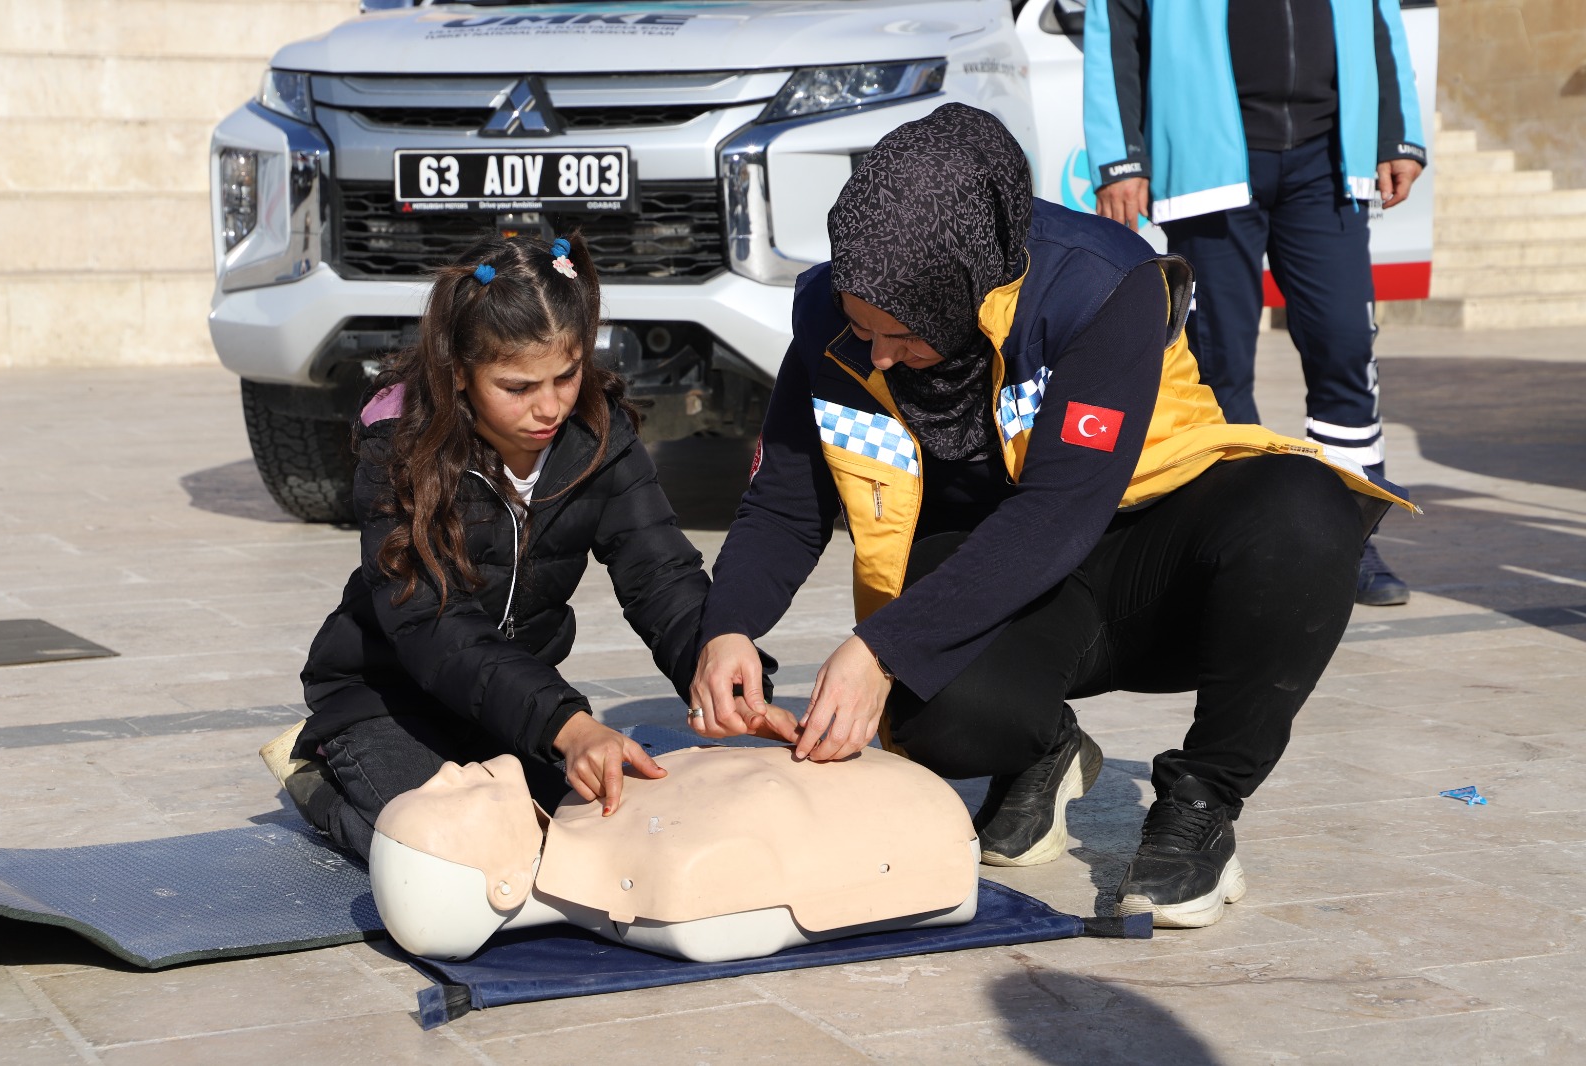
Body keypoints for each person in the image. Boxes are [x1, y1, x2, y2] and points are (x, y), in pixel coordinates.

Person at [688, 105, 1412, 928]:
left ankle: (1201, 804)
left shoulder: (1101, 286)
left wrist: (880, 647)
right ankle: (1045, 750)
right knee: (929, 715)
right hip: (1017, 580)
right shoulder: (835, 315)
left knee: (1304, 511)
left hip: (1158, 555)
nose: (878, 354)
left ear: (963, 288)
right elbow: (786, 499)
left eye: (903, 335)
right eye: (863, 329)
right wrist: (729, 628)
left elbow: (1062, 510)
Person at [262, 232, 772, 861]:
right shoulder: (400, 445)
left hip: (505, 705)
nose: (550, 406)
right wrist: (569, 725)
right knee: (457, 854)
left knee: (594, 839)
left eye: (566, 374)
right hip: (386, 700)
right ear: (459, 373)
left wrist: (720, 665)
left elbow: (661, 573)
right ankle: (317, 777)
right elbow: (430, 623)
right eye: (517, 386)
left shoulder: (599, 436)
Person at [1084, 0, 1427, 606]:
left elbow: (1379, 20)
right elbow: (1114, 24)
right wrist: (1120, 156)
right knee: (1220, 366)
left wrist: (1398, 132)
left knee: (1344, 346)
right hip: (1205, 164)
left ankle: (1350, 536)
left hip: (1328, 161)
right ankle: (1241, 546)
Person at [369, 745, 979, 962]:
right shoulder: (671, 883)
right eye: (446, 800)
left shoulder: (586, 802)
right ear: (502, 886)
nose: (448, 771)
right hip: (918, 810)